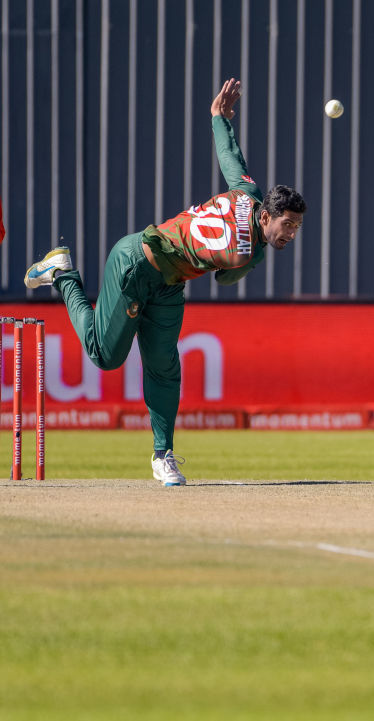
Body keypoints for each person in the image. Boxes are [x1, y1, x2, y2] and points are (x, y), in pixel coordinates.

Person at [24, 78, 306, 486]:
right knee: (105, 357)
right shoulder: (249, 250)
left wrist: (218, 119)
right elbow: (227, 278)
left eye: (296, 227)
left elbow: (230, 157)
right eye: (287, 225)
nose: (291, 234)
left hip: (170, 284)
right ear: (266, 216)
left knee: (163, 366)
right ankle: (64, 272)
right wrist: (252, 259)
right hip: (137, 263)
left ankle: (163, 455)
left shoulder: (249, 193)